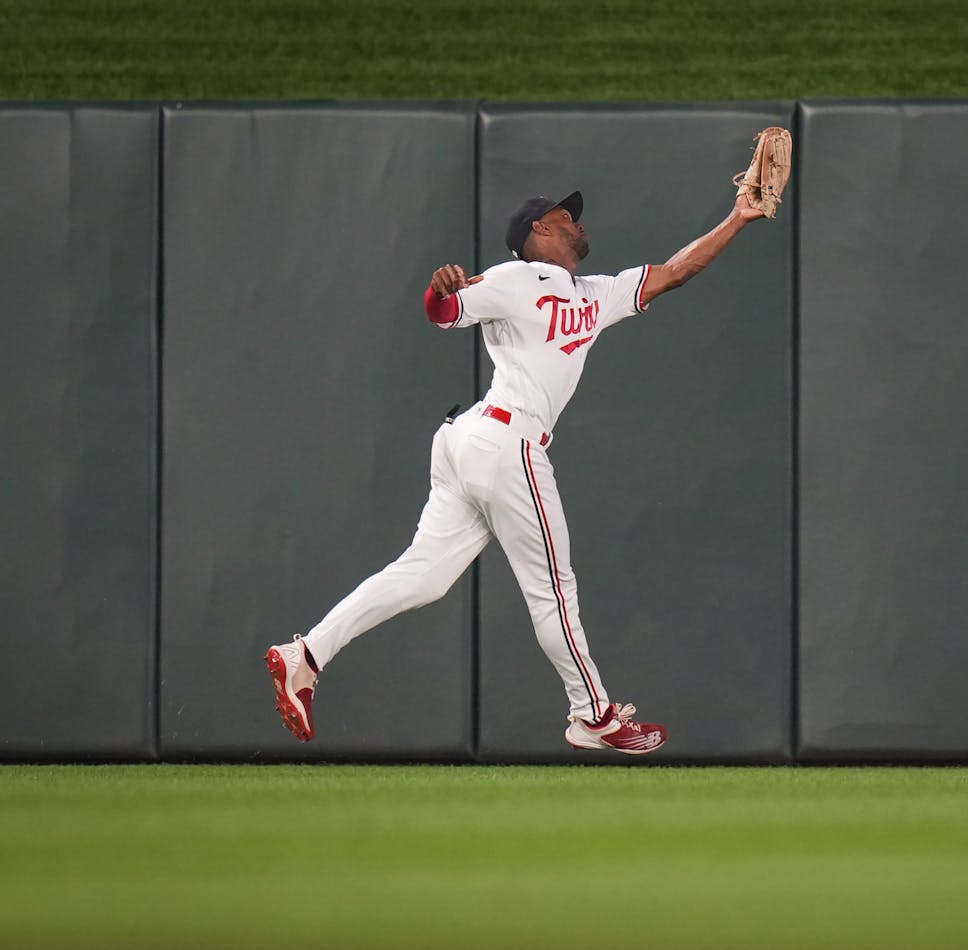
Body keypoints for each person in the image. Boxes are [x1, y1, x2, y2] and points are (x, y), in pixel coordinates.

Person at [265, 186, 768, 754]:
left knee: (423, 576)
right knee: (552, 589)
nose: (577, 222)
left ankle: (304, 656)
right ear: (539, 232)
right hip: (507, 440)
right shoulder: (514, 278)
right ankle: (593, 715)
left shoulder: (596, 293)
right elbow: (446, 312)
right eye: (564, 216)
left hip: (474, 441)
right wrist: (440, 289)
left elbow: (677, 271)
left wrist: (737, 218)